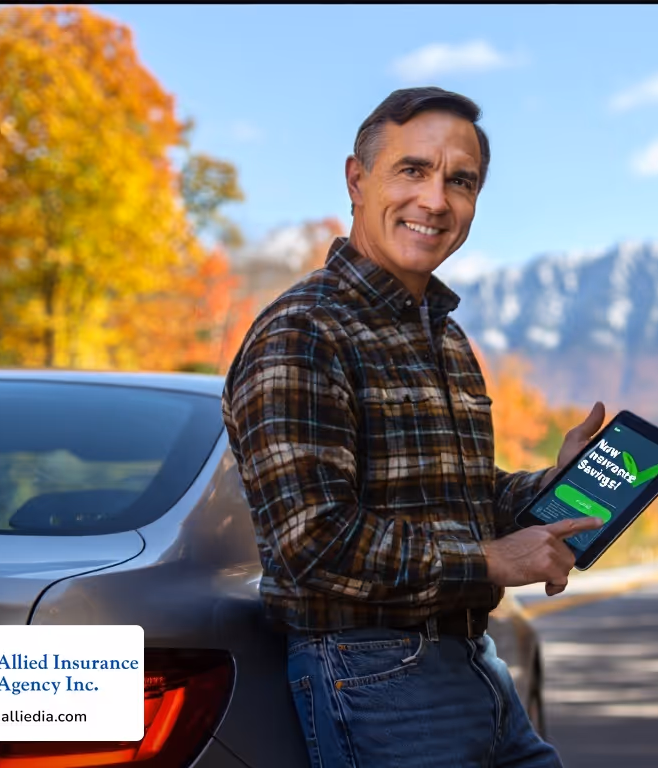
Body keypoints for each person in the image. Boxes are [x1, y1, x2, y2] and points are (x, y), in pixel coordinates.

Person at [221, 86, 605, 768]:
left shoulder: (444, 338)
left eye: (461, 181)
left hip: (470, 662)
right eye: (413, 170)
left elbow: (458, 501)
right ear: (356, 178)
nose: (436, 200)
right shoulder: (303, 331)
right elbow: (313, 541)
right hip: (371, 674)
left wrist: (559, 485)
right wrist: (491, 561)